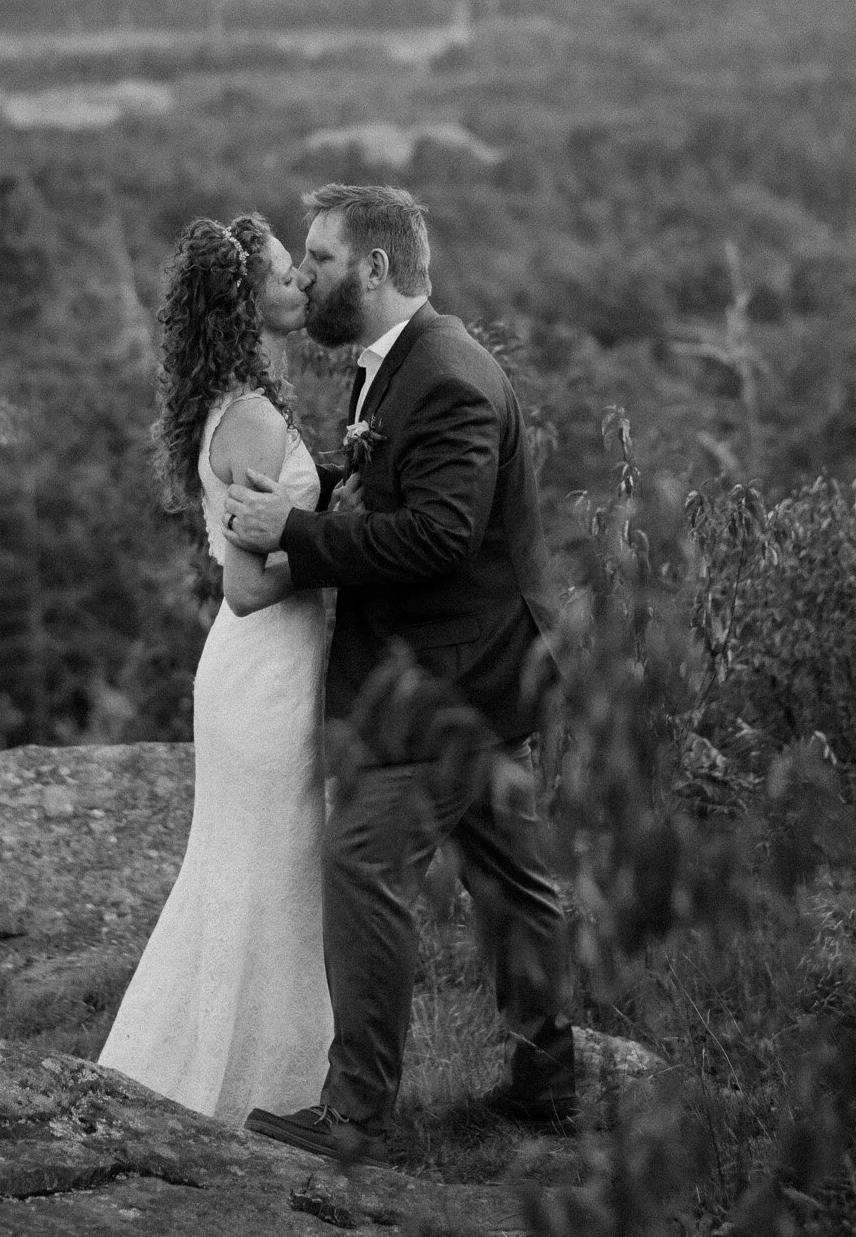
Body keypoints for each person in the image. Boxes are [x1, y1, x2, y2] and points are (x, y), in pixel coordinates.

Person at [225, 183, 574, 1165]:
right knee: (514, 885)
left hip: (435, 692)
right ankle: (548, 1087)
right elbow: (399, 503)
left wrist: (291, 530)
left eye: (322, 259)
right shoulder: (402, 364)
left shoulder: (446, 374)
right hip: (482, 677)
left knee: (364, 874)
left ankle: (356, 1119)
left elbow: (440, 534)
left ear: (375, 268)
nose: (305, 276)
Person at [98, 214, 333, 1125]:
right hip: (264, 671)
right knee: (262, 870)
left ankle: (277, 1078)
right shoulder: (250, 419)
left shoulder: (241, 402)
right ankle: (243, 1089)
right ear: (244, 303)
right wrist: (337, 551)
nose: (300, 287)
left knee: (265, 869)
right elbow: (242, 586)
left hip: (271, 669)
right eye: (283, 277)